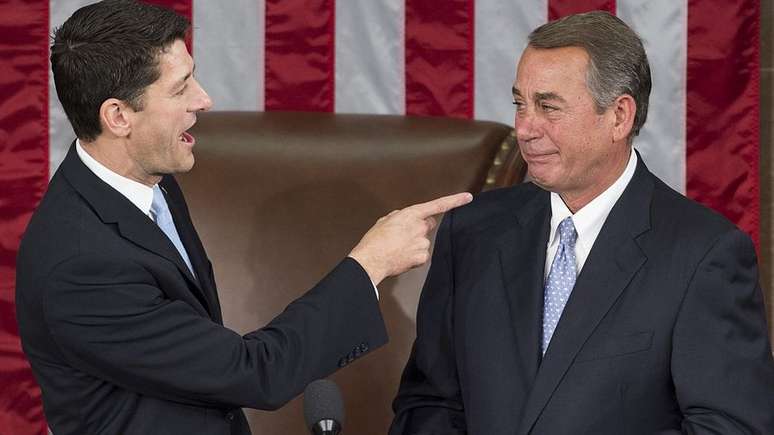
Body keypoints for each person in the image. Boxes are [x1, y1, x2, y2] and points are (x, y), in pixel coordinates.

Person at [14, 1, 472, 434]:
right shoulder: (81, 266)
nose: (205, 100)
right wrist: (371, 264)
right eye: (181, 88)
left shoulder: (152, 182)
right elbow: (252, 373)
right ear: (118, 116)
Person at [390, 11, 774, 435]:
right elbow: (428, 402)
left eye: (548, 107)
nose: (524, 128)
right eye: (521, 103)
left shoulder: (704, 254)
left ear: (619, 116)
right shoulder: (473, 230)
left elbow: (730, 427)